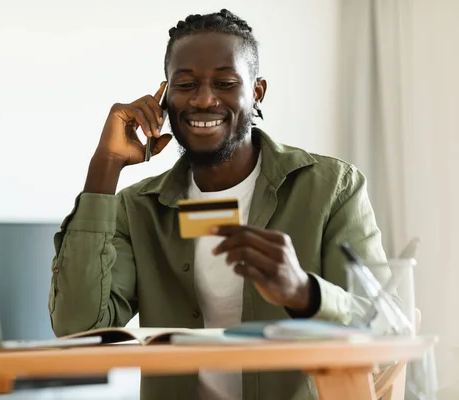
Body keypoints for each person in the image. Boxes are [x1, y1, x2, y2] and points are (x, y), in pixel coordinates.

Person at [48, 9, 387, 400]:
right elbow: (78, 326)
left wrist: (303, 292)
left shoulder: (331, 188)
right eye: (186, 84)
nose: (204, 99)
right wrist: (104, 168)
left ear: (257, 92)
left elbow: (383, 325)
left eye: (225, 83)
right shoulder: (137, 208)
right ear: (165, 98)